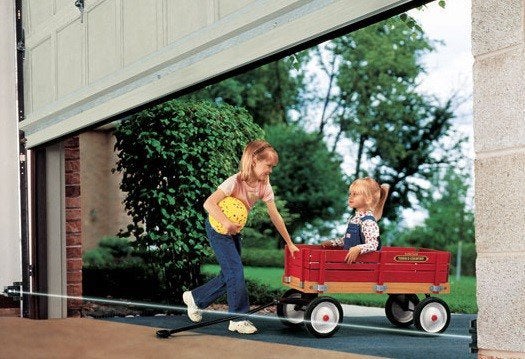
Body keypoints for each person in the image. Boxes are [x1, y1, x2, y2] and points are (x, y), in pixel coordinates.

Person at [182, 140, 299, 334]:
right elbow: (209, 204)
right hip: (218, 228)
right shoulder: (234, 181)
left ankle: (195, 298)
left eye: (273, 167)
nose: (270, 171)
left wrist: (289, 242)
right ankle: (237, 319)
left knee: (231, 274)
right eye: (268, 166)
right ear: (254, 160)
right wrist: (225, 223)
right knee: (236, 272)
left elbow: (275, 214)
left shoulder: (264, 186)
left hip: (234, 229)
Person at [321, 177, 389, 263]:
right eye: (350, 194)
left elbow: (373, 244)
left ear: (368, 199)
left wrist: (358, 248)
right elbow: (348, 240)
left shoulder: (368, 222)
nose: (350, 197)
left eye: (355, 194)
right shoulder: (354, 219)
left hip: (362, 266)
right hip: (350, 263)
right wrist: (334, 243)